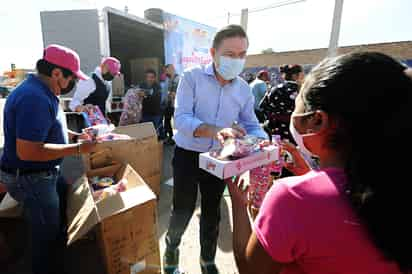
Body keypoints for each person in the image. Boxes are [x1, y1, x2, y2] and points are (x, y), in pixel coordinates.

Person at [227, 52, 412, 274]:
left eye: (297, 105)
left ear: (316, 120)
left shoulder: (291, 198)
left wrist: (238, 205)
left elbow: (251, 270)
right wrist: (309, 174)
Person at [163, 25, 267, 274]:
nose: (237, 60)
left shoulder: (243, 88)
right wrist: (215, 130)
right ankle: (171, 246)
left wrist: (264, 141)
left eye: (242, 55)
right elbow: (182, 119)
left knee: (213, 212)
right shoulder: (192, 77)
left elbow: (251, 123)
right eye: (230, 54)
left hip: (221, 159)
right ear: (213, 52)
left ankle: (207, 260)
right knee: (183, 209)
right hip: (188, 155)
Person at [0, 44, 96, 274]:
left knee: (62, 202)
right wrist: (77, 148)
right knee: (45, 235)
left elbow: (51, 128)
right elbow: (29, 151)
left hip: (43, 174)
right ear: (56, 73)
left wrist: (75, 136)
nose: (72, 83)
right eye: (71, 77)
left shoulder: (45, 92)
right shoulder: (33, 98)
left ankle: (57, 249)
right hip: (31, 178)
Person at [260, 64, 304, 143]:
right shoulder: (301, 91)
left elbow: (262, 106)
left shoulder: (274, 88)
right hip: (295, 130)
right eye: (302, 73)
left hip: (275, 129)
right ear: (295, 75)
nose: (303, 76)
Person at [139, 69, 162, 136]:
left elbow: (155, 96)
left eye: (151, 77)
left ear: (154, 78)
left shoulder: (158, 86)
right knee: (145, 133)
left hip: (155, 115)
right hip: (145, 114)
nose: (149, 79)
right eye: (148, 77)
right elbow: (138, 94)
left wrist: (145, 94)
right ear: (146, 78)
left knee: (154, 133)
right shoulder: (142, 85)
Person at [164, 64, 180, 145]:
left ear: (172, 69)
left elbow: (173, 94)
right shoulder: (169, 79)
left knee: (176, 122)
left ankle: (175, 139)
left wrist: (167, 94)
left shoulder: (177, 79)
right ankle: (171, 137)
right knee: (167, 121)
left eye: (167, 69)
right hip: (169, 104)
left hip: (175, 105)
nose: (166, 71)